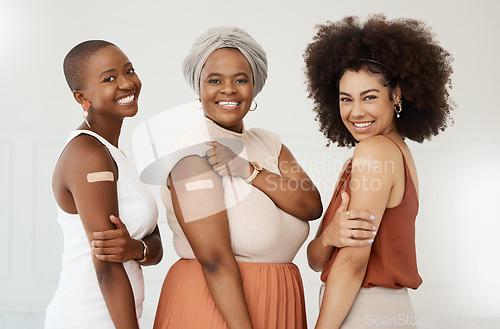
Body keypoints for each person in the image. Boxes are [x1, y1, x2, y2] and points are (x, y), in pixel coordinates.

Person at [153, 26, 321, 329]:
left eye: (240, 80)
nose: (228, 89)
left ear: (254, 86)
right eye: (214, 80)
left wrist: (248, 170)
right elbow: (214, 259)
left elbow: (310, 204)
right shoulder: (193, 154)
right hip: (218, 310)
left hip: (278, 301)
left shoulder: (269, 143)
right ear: (199, 87)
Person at [304, 15, 454, 329]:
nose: (356, 112)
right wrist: (331, 235)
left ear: (396, 95)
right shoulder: (381, 153)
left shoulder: (376, 151)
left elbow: (353, 261)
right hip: (363, 308)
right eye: (346, 99)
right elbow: (317, 259)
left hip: (364, 309)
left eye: (369, 97)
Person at [45, 40, 163, 329]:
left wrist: (136, 249)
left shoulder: (112, 152)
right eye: (109, 78)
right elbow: (106, 267)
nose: (127, 83)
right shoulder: (89, 154)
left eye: (129, 71)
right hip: (88, 317)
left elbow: (154, 246)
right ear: (81, 96)